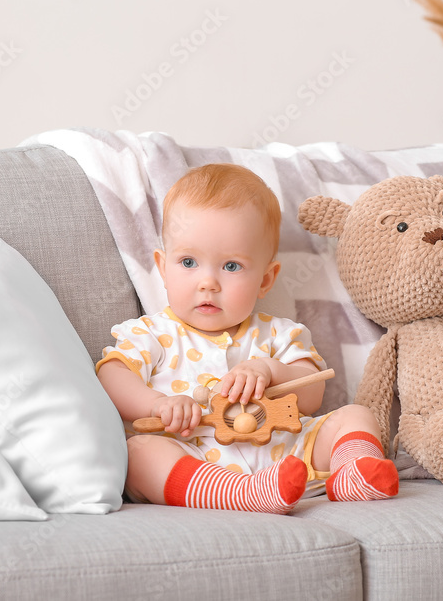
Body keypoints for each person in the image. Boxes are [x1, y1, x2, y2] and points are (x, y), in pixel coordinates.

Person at [96, 163, 398, 514]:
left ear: (266, 280)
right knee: (140, 455)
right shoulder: (152, 334)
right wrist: (156, 404)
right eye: (189, 262)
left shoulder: (277, 334)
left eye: (231, 267)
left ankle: (354, 472)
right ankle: (236, 493)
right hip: (195, 458)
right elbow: (111, 375)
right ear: (163, 268)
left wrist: (271, 370)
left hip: (287, 459)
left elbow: (313, 394)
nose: (207, 282)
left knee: (356, 415)